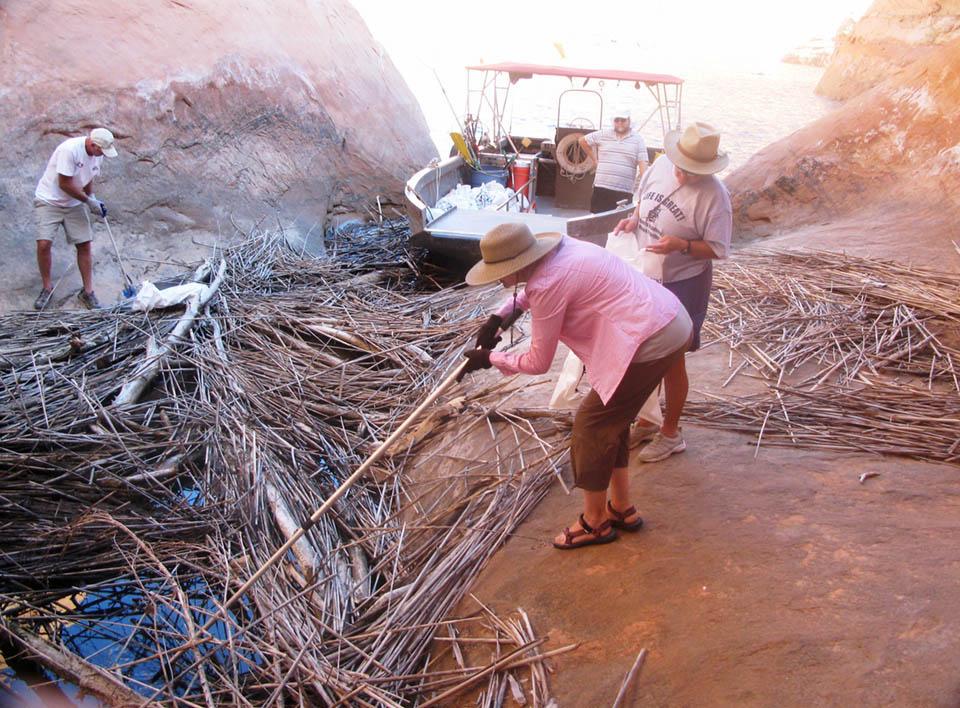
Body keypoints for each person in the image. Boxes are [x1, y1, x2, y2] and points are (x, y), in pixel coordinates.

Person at [460, 223, 692, 550]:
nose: (498, 278)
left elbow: (538, 361)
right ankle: (621, 507)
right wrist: (499, 317)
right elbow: (531, 290)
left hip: (651, 337)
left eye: (499, 272)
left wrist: (492, 359)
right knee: (612, 420)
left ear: (518, 264)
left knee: (591, 426)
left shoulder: (548, 283)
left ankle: (595, 522)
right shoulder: (561, 249)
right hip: (668, 318)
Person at [613, 121, 733, 462]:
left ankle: (671, 432)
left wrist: (682, 245)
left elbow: (719, 249)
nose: (683, 175)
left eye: (693, 172)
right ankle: (648, 419)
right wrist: (634, 220)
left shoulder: (715, 198)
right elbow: (644, 201)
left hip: (683, 283)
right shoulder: (661, 164)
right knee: (642, 351)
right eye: (681, 167)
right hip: (645, 275)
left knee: (671, 359)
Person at [33, 127, 119, 310]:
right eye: (101, 150)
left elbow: (88, 177)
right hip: (49, 200)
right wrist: (88, 201)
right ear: (93, 144)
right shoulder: (69, 150)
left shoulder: (98, 154)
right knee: (44, 244)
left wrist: (92, 197)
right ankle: (47, 288)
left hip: (74, 204)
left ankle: (88, 292)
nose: (102, 154)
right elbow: (64, 184)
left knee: (84, 244)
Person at [578, 108, 647, 214]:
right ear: (613, 121)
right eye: (617, 120)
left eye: (623, 120)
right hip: (601, 187)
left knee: (619, 225)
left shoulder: (638, 140)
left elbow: (643, 167)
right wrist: (595, 160)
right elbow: (582, 141)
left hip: (624, 191)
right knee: (597, 222)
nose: (620, 123)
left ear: (629, 121)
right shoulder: (603, 134)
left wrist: (645, 189)